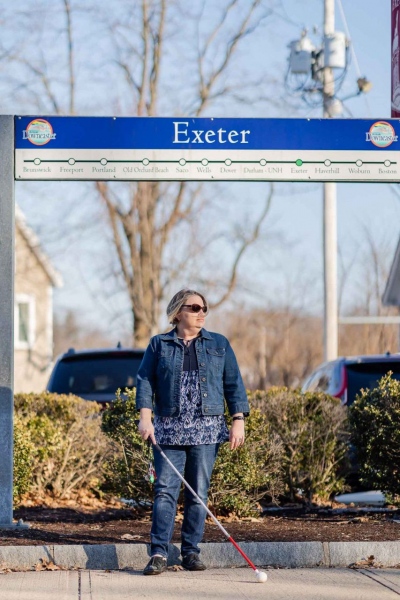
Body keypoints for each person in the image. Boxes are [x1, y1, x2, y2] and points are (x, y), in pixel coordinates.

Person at [136, 288, 249, 576]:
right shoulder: (159, 345)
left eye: (204, 308)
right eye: (195, 308)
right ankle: (159, 552)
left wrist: (238, 419)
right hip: (168, 431)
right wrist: (145, 418)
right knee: (164, 492)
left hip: (207, 431)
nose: (201, 313)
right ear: (177, 312)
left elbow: (233, 383)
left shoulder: (219, 344)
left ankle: (190, 552)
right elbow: (145, 382)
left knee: (198, 493)